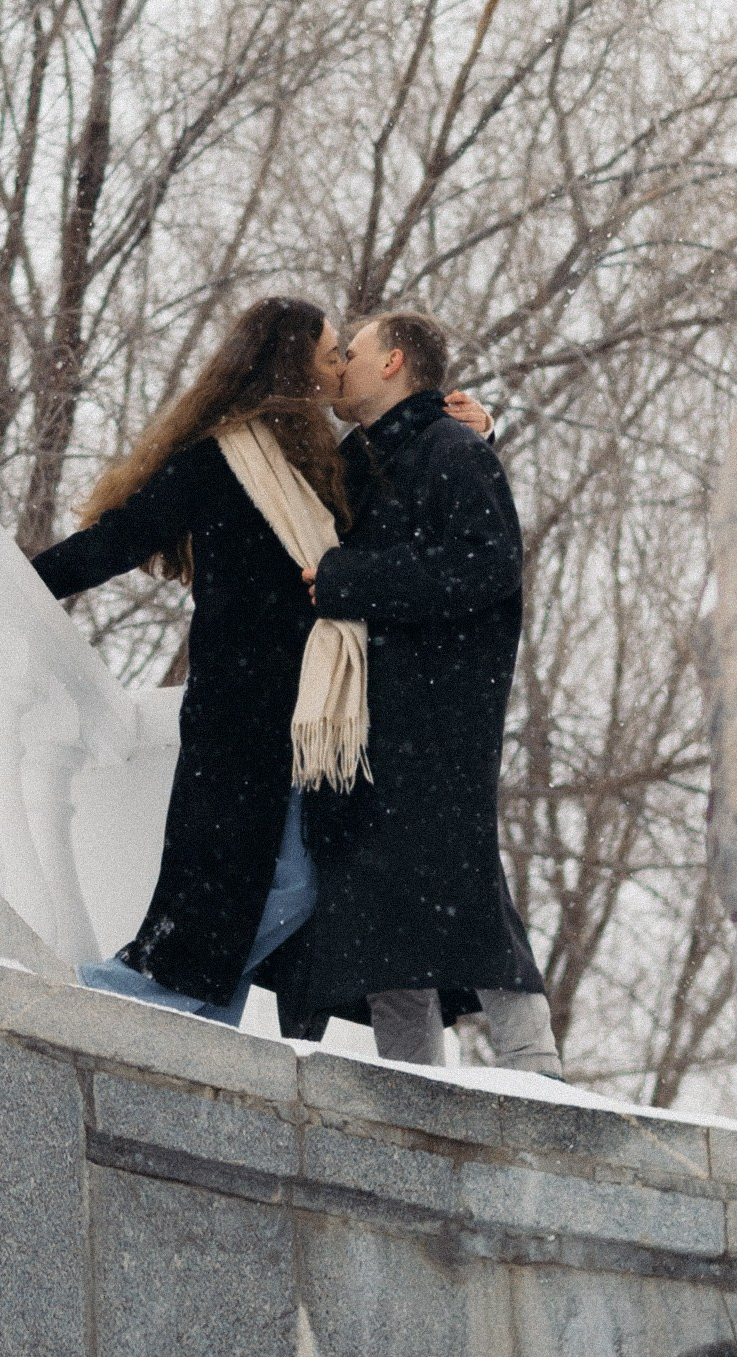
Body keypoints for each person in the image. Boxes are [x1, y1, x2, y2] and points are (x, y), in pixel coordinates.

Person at [29, 298, 491, 1023]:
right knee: (243, 895)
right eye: (332, 351)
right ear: (293, 359)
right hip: (238, 719)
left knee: (283, 893)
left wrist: (469, 428)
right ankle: (127, 992)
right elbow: (119, 538)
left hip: (311, 719)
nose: (341, 364)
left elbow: (408, 481)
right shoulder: (217, 461)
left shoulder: (320, 467)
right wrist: (25, 575)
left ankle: (174, 1011)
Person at [272, 311, 561, 1076]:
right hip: (371, 728)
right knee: (383, 923)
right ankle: (414, 1090)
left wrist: (348, 582)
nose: (343, 365)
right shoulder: (363, 461)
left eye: (354, 351)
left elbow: (485, 566)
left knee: (466, 896)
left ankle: (545, 1081)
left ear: (395, 361)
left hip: (437, 728)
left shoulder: (454, 451)